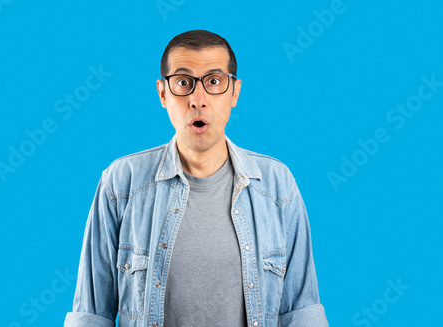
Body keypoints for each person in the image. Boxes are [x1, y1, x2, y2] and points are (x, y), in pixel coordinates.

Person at [64, 30, 329, 327]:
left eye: (214, 82)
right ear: (163, 93)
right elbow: (91, 314)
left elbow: (302, 313)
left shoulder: (276, 185)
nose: (197, 99)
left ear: (234, 92)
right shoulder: (122, 183)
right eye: (183, 83)